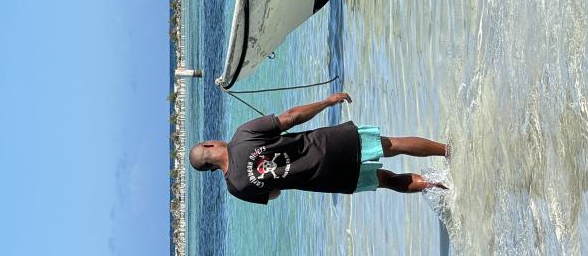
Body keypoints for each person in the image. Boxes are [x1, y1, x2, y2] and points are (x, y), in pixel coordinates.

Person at [189, 92, 446, 204]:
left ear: (211, 169)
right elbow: (289, 117)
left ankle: (441, 186)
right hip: (331, 144)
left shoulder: (236, 188)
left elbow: (274, 193)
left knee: (387, 181)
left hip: (328, 179)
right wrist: (326, 102)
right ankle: (450, 151)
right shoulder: (242, 135)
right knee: (393, 145)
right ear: (209, 145)